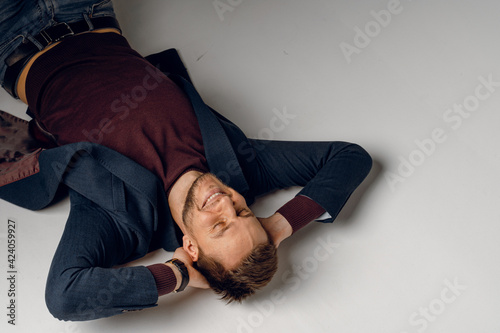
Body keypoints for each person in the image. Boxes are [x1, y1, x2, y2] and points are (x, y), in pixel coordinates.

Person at [0, 0, 372, 321]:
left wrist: (175, 274)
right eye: (243, 214)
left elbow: (64, 295)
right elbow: (348, 157)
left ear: (191, 247)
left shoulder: (120, 224)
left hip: (14, 38)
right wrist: (276, 228)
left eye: (220, 227)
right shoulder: (244, 170)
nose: (226, 203)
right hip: (88, 12)